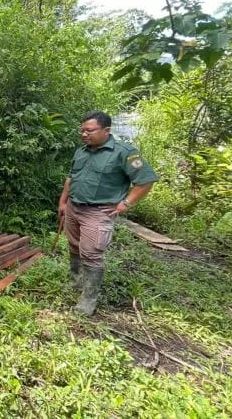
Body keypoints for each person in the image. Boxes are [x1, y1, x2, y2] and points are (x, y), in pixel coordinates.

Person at [58, 111, 158, 316]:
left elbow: (146, 180)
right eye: (82, 130)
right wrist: (63, 201)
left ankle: (88, 299)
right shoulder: (81, 152)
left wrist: (125, 204)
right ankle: (76, 282)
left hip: (98, 212)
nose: (84, 134)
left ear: (106, 130)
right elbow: (71, 178)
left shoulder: (125, 153)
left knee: (92, 254)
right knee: (74, 245)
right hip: (74, 208)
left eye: (90, 130)